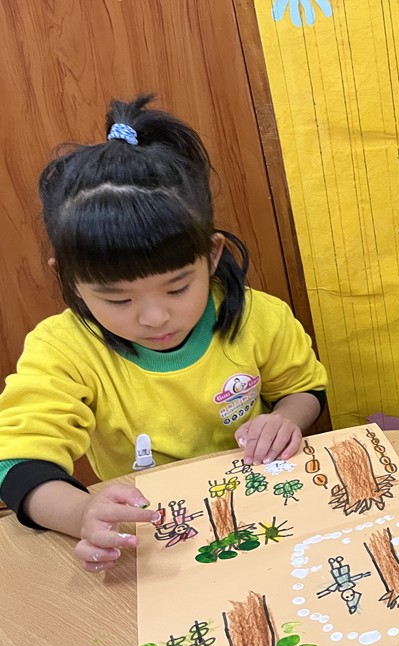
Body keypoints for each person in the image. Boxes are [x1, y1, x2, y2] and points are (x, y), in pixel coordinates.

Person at [0, 96, 328, 573]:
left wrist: (286, 419)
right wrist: (81, 513)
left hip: (262, 509)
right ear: (69, 279)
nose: (155, 318)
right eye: (118, 300)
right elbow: (17, 463)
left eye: (177, 288)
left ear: (212, 255)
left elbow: (304, 389)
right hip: (155, 536)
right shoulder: (62, 350)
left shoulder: (259, 317)